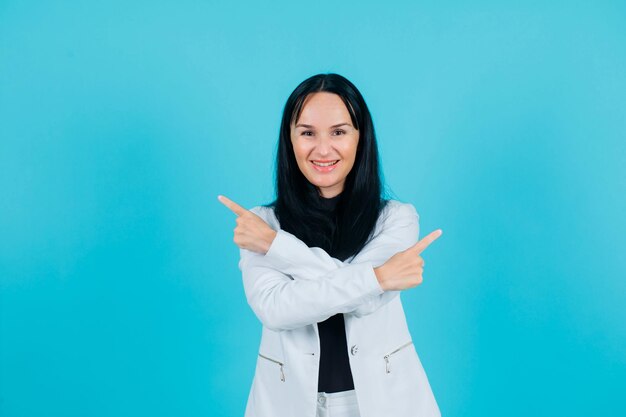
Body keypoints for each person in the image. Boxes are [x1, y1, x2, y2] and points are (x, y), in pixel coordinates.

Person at [218, 73, 442, 417]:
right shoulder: (261, 223)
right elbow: (277, 309)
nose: (323, 149)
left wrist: (278, 248)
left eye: (338, 132)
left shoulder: (396, 219)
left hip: (386, 403)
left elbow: (366, 304)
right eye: (307, 133)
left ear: (360, 138)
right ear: (290, 141)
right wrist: (379, 277)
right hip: (288, 404)